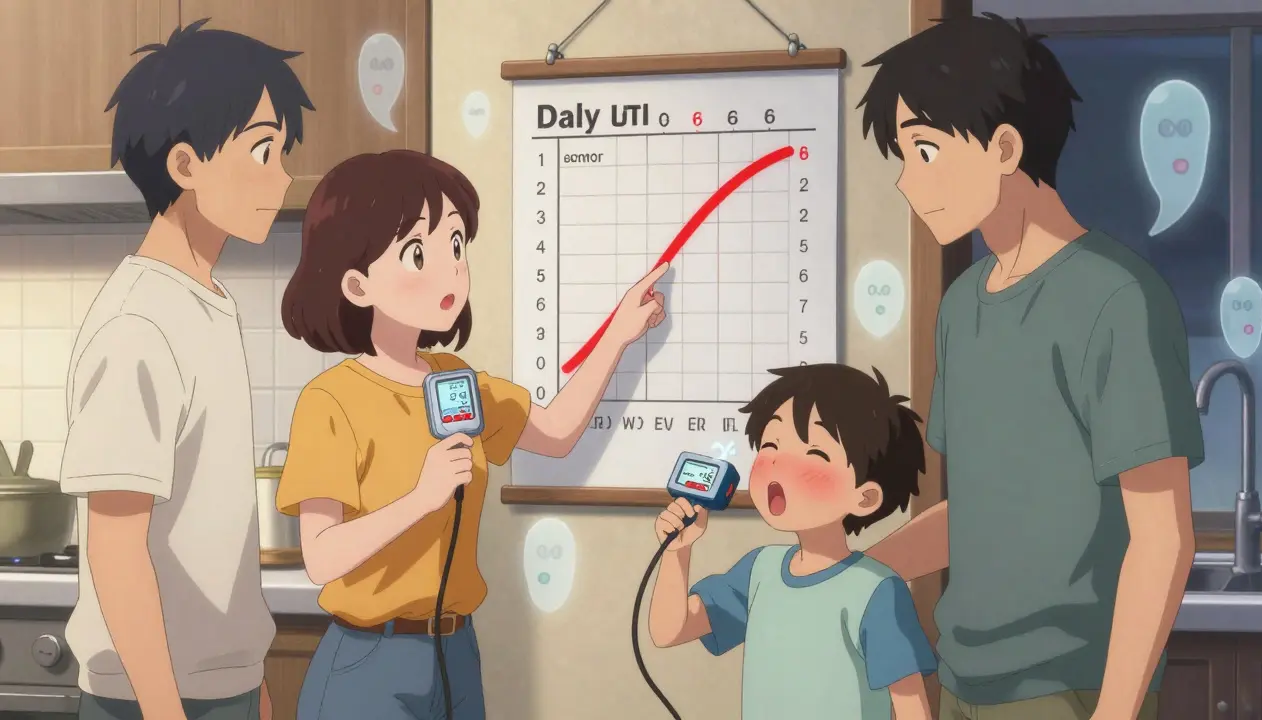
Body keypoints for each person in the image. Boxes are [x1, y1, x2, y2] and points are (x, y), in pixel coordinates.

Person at [855, 13, 1204, 720]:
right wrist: (858, 573)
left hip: (1064, 688)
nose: (904, 183)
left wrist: (1113, 713)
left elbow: (1163, 536)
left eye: (923, 152)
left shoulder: (1116, 298)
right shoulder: (961, 307)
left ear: (1005, 146)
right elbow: (982, 515)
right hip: (959, 677)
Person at [272, 149, 668, 720]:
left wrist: (619, 335)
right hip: (368, 661)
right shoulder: (331, 401)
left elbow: (554, 432)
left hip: (456, 653)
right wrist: (421, 499)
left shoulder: (456, 382)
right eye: (418, 252)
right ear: (356, 285)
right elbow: (321, 557)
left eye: (455, 245)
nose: (451, 269)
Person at [58, 18, 313, 720]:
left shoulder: (209, 303)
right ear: (185, 165)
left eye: (282, 150)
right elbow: (115, 542)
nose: (284, 174)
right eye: (263, 150)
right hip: (148, 701)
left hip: (214, 689)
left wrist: (251, 682)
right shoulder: (139, 324)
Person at [648, 364, 937, 719]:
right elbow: (669, 630)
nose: (778, 464)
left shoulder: (877, 590)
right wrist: (678, 552)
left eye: (814, 454)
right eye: (771, 444)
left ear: (865, 498)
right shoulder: (758, 571)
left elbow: (910, 706)